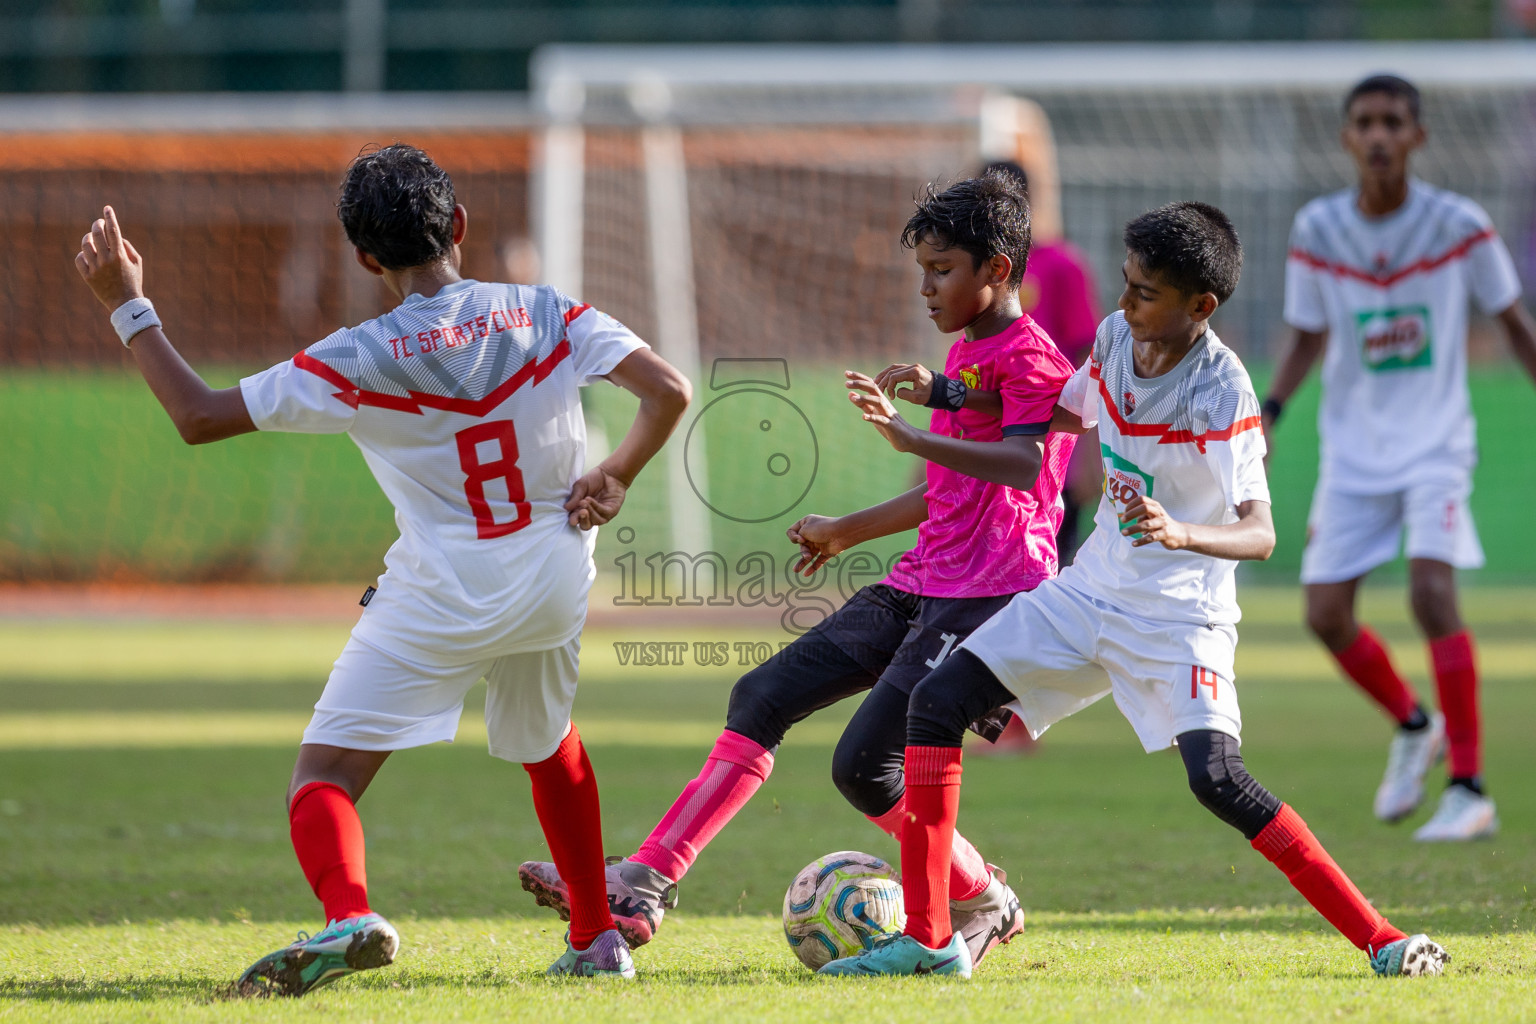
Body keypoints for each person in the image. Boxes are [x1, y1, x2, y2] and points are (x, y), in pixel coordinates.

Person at [72, 143, 692, 992]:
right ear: (461, 225)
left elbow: (198, 416)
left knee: (322, 778)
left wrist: (128, 306)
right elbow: (668, 389)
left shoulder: (355, 356)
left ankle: (349, 915)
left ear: (365, 259)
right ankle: (596, 940)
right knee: (550, 744)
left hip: (443, 590)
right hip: (552, 575)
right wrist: (615, 473)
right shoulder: (546, 311)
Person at [819, 201, 1449, 980]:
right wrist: (946, 397)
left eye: (1144, 292)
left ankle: (1383, 939)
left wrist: (1183, 533)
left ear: (1201, 306)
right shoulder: (1118, 340)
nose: (1122, 305)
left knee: (1217, 779)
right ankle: (931, 939)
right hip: (1089, 592)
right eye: (1124, 284)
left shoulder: (1224, 392)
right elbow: (1054, 412)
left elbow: (1260, 532)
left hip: (1181, 617)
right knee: (935, 701)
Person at [517, 172, 1076, 968]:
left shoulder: (1035, 359)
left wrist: (913, 435)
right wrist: (848, 531)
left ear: (998, 270)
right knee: (763, 693)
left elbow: (1021, 465)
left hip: (988, 597)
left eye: (942, 269)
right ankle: (646, 881)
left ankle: (979, 898)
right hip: (923, 582)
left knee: (864, 768)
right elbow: (949, 490)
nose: (925, 287)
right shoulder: (964, 355)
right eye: (921, 269)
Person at [1266, 74, 1536, 840]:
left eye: (1392, 122)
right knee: (1324, 614)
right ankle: (1415, 723)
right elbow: (1309, 333)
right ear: (1346, 138)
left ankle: (1470, 789)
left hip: (1436, 444)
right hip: (1353, 452)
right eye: (1364, 122)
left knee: (1430, 594)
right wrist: (1274, 411)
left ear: (1418, 136)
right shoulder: (1318, 228)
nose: (1379, 135)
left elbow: (1512, 323)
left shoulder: (1459, 224)